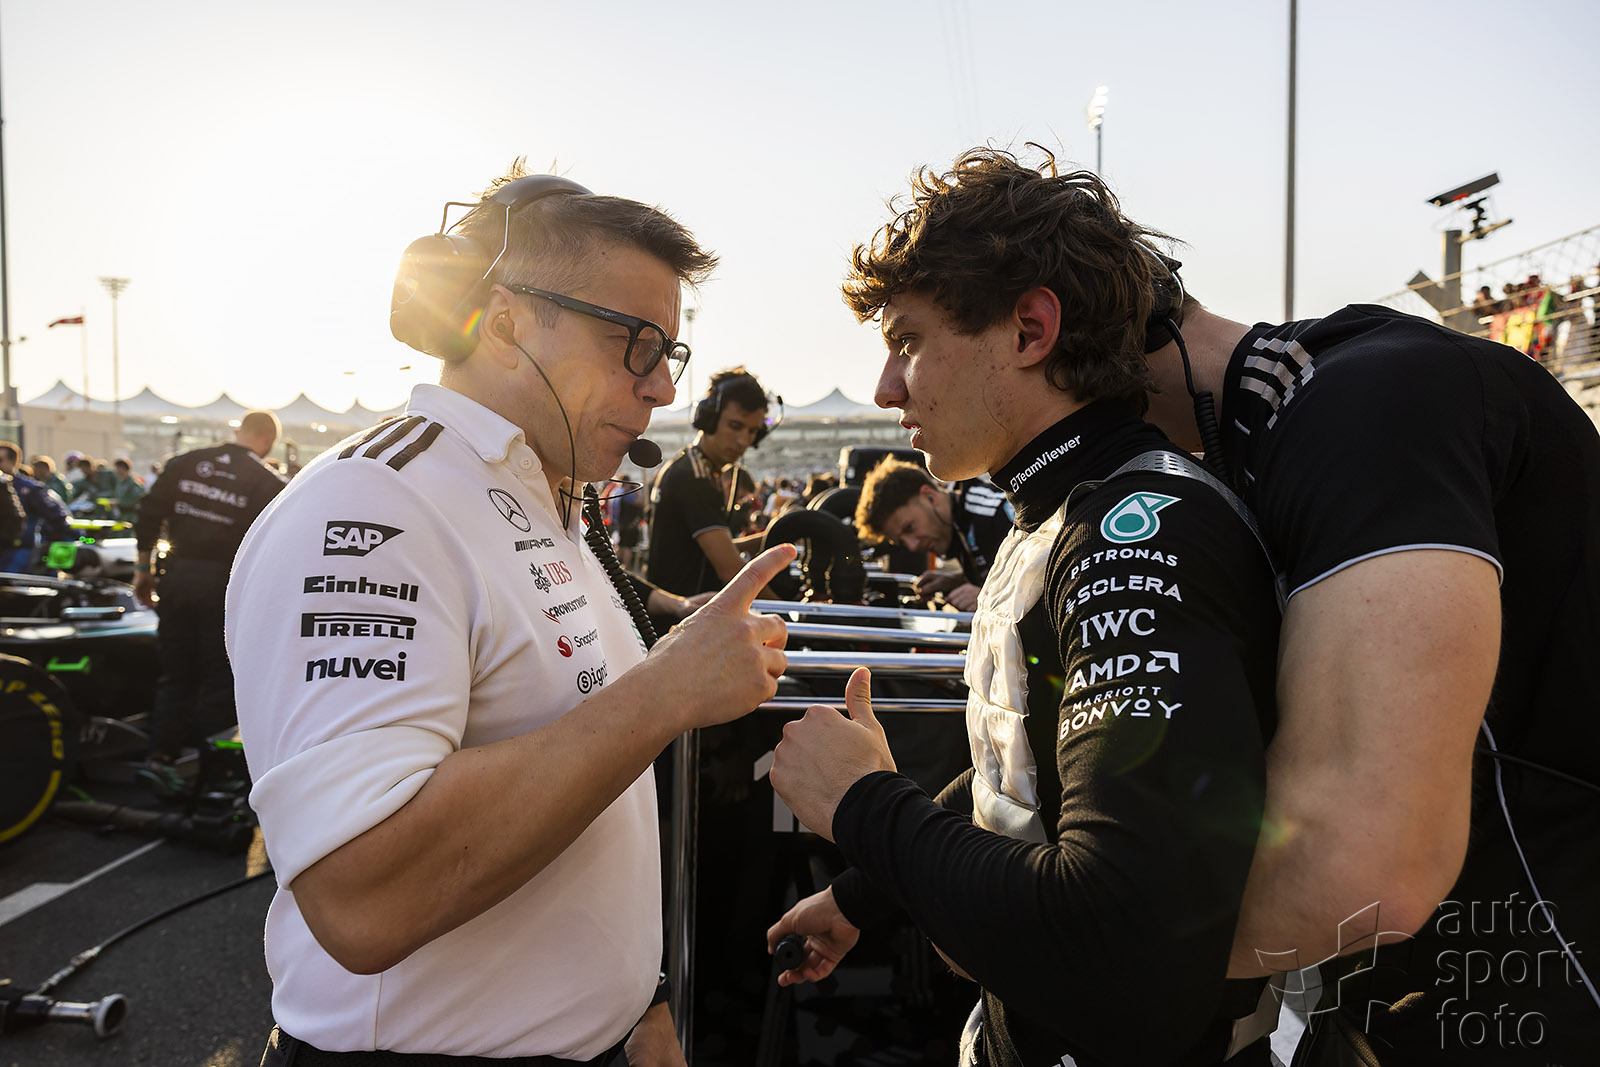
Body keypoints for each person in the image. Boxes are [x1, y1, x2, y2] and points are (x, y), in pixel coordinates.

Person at [226, 165, 793, 1066]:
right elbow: (362, 895)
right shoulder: (374, 504)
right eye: (635, 343)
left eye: (670, 354)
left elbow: (584, 784)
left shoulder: (546, 500)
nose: (661, 388)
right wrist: (667, 690)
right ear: (504, 324)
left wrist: (641, 1001)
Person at [768, 149, 1284, 1065]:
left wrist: (864, 806)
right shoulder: (1058, 512)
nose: (887, 387)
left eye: (908, 340)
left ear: (1030, 329)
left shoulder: (1134, 532)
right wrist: (862, 892)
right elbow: (1031, 766)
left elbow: (1128, 945)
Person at [130, 411, 288, 796]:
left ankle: (160, 757)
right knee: (221, 676)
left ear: (238, 431)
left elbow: (148, 513)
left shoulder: (185, 462)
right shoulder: (267, 481)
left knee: (176, 673)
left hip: (176, 577)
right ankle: (213, 775)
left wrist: (142, 570)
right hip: (224, 586)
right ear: (268, 440)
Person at [646, 366, 776, 597]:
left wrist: (777, 537)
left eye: (752, 431)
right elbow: (730, 570)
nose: (743, 440)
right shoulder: (693, 477)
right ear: (709, 419)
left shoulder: (699, 468)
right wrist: (791, 611)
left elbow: (713, 551)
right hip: (681, 612)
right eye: (735, 426)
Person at [853, 457, 1013, 611]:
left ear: (930, 496)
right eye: (901, 541)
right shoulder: (961, 522)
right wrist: (956, 580)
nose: (913, 546)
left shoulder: (998, 512)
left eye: (909, 528)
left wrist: (988, 599)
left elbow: (1029, 584)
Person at [0, 442, 72, 571]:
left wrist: (75, 537)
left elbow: (56, 515)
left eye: (0, 460)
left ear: (13, 461)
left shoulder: (29, 488)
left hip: (18, 548)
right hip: (4, 547)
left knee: (10, 579)